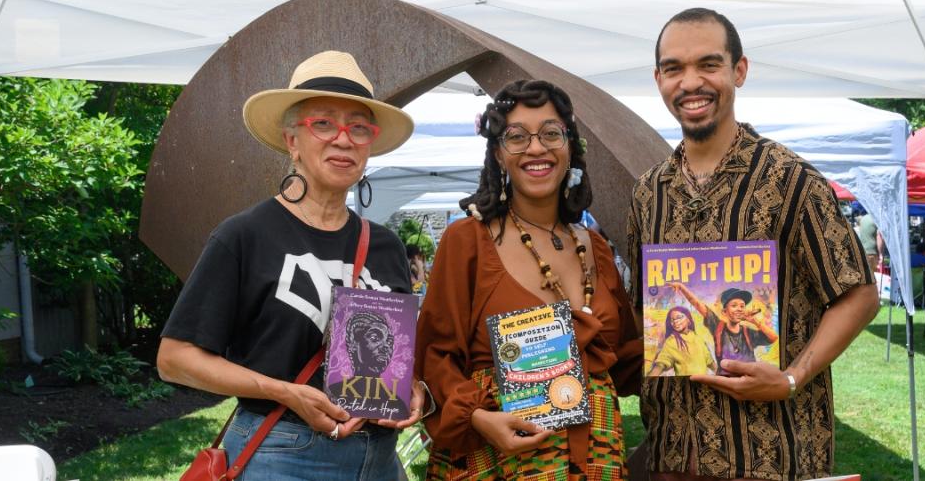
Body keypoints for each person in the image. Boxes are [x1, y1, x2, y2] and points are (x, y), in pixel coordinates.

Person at [626, 7, 881, 480]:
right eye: (674, 69)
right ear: (659, 79)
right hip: (673, 453)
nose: (691, 83)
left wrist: (791, 378)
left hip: (770, 452)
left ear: (739, 71)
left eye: (709, 65)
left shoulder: (790, 179)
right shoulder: (649, 193)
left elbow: (860, 294)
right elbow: (643, 311)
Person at [156, 51, 426, 480]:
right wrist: (284, 391)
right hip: (284, 455)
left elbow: (394, 357)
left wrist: (413, 388)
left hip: (379, 461)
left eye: (358, 127)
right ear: (292, 141)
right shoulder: (246, 235)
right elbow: (175, 358)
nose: (343, 139)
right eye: (323, 124)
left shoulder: (386, 245)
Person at [417, 80, 642, 480]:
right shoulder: (467, 241)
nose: (536, 148)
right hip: (503, 462)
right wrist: (478, 417)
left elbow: (626, 361)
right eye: (517, 136)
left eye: (551, 134)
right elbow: (434, 357)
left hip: (596, 462)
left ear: (570, 148)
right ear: (499, 154)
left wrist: (704, 336)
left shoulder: (594, 247)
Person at [648, 305, 716, 376]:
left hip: (703, 381)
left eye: (679, 317)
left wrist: (721, 375)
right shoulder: (671, 341)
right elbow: (661, 363)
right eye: (672, 320)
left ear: (688, 319)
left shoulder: (698, 338)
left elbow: (710, 361)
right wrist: (649, 378)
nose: (675, 321)